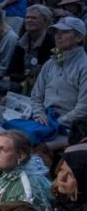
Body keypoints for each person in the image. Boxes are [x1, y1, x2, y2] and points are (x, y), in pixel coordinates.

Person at [28, 16, 87, 145]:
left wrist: (56, 122)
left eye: (65, 32)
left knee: (34, 146)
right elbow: (36, 96)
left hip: (71, 127)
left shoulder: (84, 65)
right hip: (45, 120)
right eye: (57, 33)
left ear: (79, 37)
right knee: (11, 135)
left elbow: (83, 109)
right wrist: (39, 114)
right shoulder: (50, 63)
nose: (58, 36)